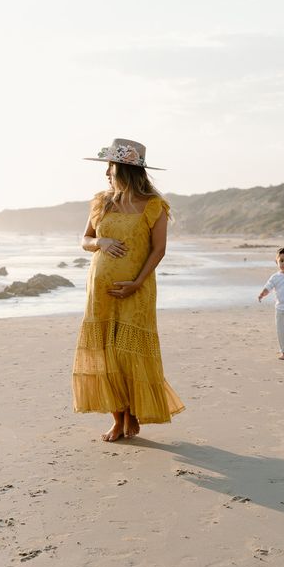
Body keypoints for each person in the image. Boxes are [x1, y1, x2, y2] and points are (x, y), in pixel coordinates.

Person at [72, 138, 185, 441]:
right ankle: (117, 417)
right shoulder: (101, 202)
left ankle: (133, 415)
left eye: (109, 168)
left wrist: (136, 283)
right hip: (100, 292)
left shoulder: (154, 206)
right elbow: (84, 240)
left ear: (123, 169)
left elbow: (158, 250)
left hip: (137, 290)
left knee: (129, 352)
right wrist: (101, 242)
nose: (106, 174)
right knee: (106, 352)